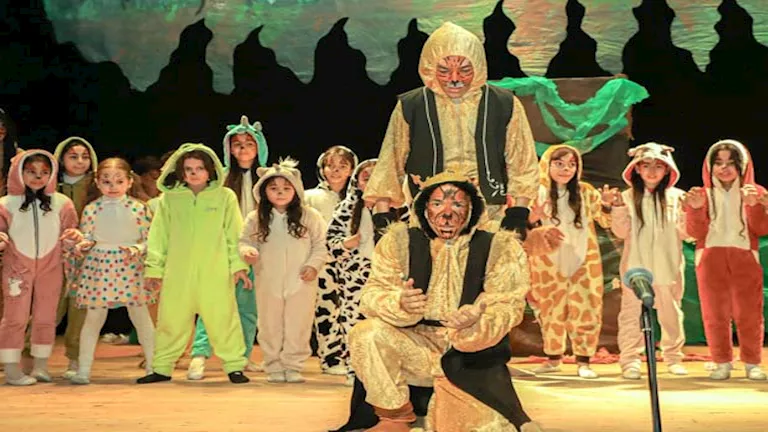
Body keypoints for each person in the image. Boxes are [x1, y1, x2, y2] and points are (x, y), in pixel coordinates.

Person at [348, 170, 541, 432]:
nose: (447, 213)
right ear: (424, 207)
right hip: (412, 346)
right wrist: (399, 303)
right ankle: (394, 417)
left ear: (472, 209)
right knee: (367, 333)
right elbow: (372, 294)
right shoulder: (398, 241)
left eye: (458, 204)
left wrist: (477, 322)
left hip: (467, 356)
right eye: (438, 203)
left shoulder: (500, 247)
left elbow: (509, 304)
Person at [363, 22, 538, 239]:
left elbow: (522, 159)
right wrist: (383, 213)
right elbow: (391, 160)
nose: (455, 79)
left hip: (488, 215)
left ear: (478, 66)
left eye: (464, 70)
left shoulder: (503, 103)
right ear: (430, 67)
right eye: (445, 71)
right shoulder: (413, 105)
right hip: (429, 217)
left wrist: (519, 211)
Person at [136, 144, 251, 384]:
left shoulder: (225, 197)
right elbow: (158, 236)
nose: (194, 173)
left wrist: (238, 266)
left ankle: (234, 366)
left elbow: (234, 233)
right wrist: (154, 269)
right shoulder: (169, 199)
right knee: (170, 320)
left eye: (200, 168)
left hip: (215, 271)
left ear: (211, 170)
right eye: (188, 169)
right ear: (180, 172)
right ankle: (162, 367)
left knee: (224, 319)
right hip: (178, 273)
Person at [683, 139, 768, 381]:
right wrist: (696, 209)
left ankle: (752, 363)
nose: (724, 168)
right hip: (710, 256)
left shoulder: (756, 192)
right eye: (718, 163)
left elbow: (762, 229)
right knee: (714, 313)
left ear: (742, 166)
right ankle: (721, 361)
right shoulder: (702, 194)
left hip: (745, 256)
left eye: (731, 163)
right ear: (710, 166)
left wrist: (754, 206)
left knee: (749, 313)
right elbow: (695, 232)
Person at [0, 150, 79, 385]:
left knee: (46, 316)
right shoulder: (6, 204)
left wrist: (74, 237)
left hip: (51, 266)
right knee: (15, 317)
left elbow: (71, 230)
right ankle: (11, 368)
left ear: (52, 174)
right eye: (31, 171)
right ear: (19, 172)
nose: (38, 177)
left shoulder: (62, 203)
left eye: (44, 172)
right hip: (17, 268)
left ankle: (41, 366)